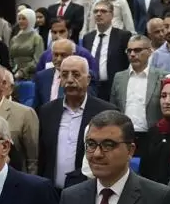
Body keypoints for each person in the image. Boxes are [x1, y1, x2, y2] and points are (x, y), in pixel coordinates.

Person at [38, 56, 115, 190]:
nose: (69, 80)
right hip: (51, 191)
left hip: (88, 191)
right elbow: (42, 155)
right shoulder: (47, 111)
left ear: (88, 79)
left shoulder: (106, 112)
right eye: (64, 75)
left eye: (76, 75)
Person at [110, 34, 166, 151]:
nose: (132, 54)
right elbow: (113, 107)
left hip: (153, 136)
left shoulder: (162, 77)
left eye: (137, 50)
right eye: (129, 51)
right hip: (125, 136)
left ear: (149, 51)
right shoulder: (119, 77)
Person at [82, 1, 132, 102]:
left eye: (103, 11)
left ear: (112, 15)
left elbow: (128, 62)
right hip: (92, 87)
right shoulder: (88, 38)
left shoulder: (123, 36)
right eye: (96, 11)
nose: (98, 14)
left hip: (114, 87)